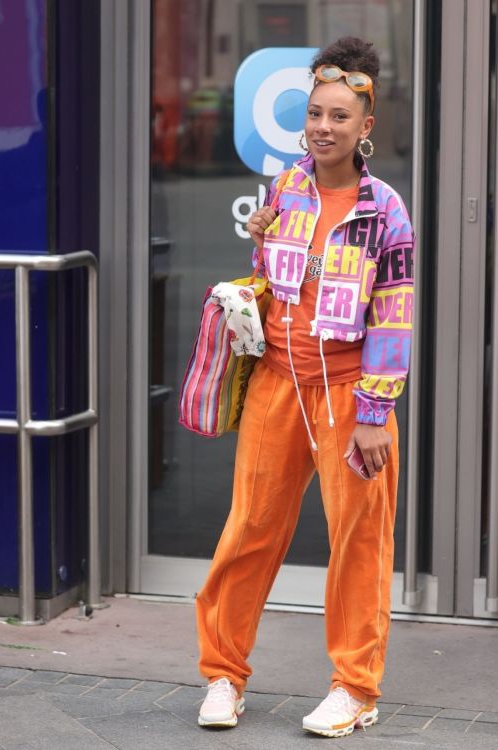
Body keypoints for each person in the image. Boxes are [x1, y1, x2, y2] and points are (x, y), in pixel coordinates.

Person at [195, 36, 415, 739]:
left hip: (352, 395)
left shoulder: (385, 210)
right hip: (276, 383)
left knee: (358, 542)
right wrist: (259, 246)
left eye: (339, 116)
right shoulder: (286, 188)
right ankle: (224, 673)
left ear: (365, 127)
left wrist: (376, 411)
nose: (323, 126)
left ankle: (356, 687)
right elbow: (281, 279)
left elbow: (394, 311)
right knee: (250, 529)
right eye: (316, 113)